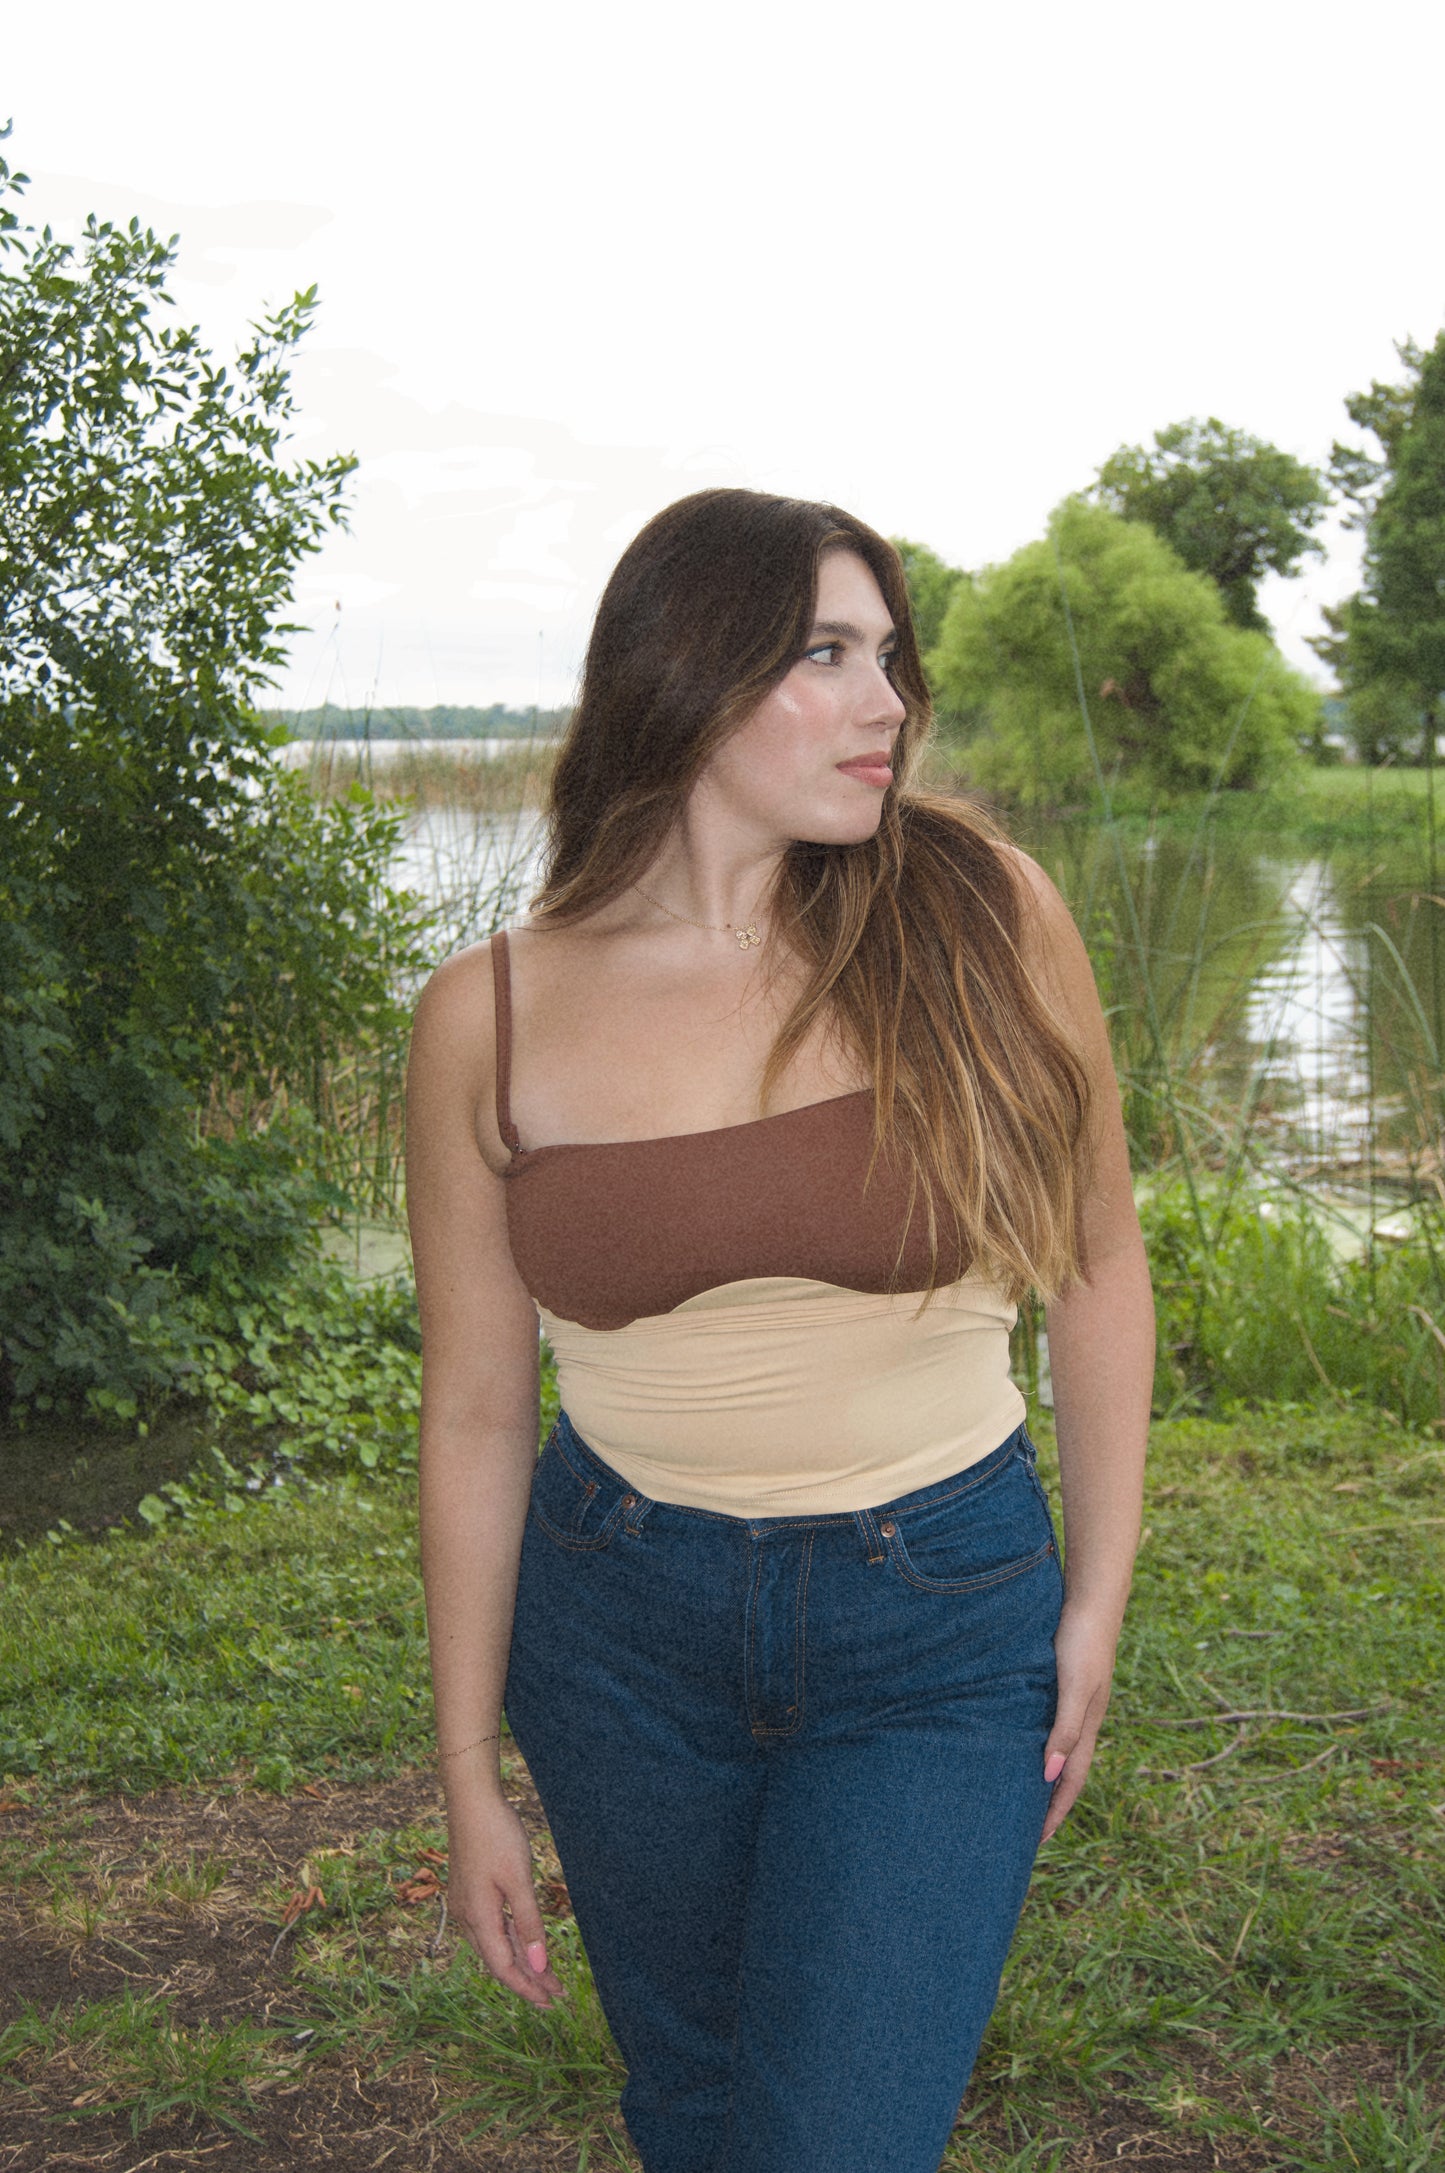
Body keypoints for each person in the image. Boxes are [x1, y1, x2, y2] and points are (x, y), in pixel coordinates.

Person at [404, 488, 1153, 2173]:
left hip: (936, 1626)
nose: (888, 700)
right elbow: (473, 1410)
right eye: (828, 653)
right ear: (682, 674)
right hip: (617, 1632)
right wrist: (469, 1763)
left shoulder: (981, 914)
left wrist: (1094, 1592)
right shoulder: (490, 1011)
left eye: (889, 656)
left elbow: (1097, 1261)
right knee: (694, 2106)